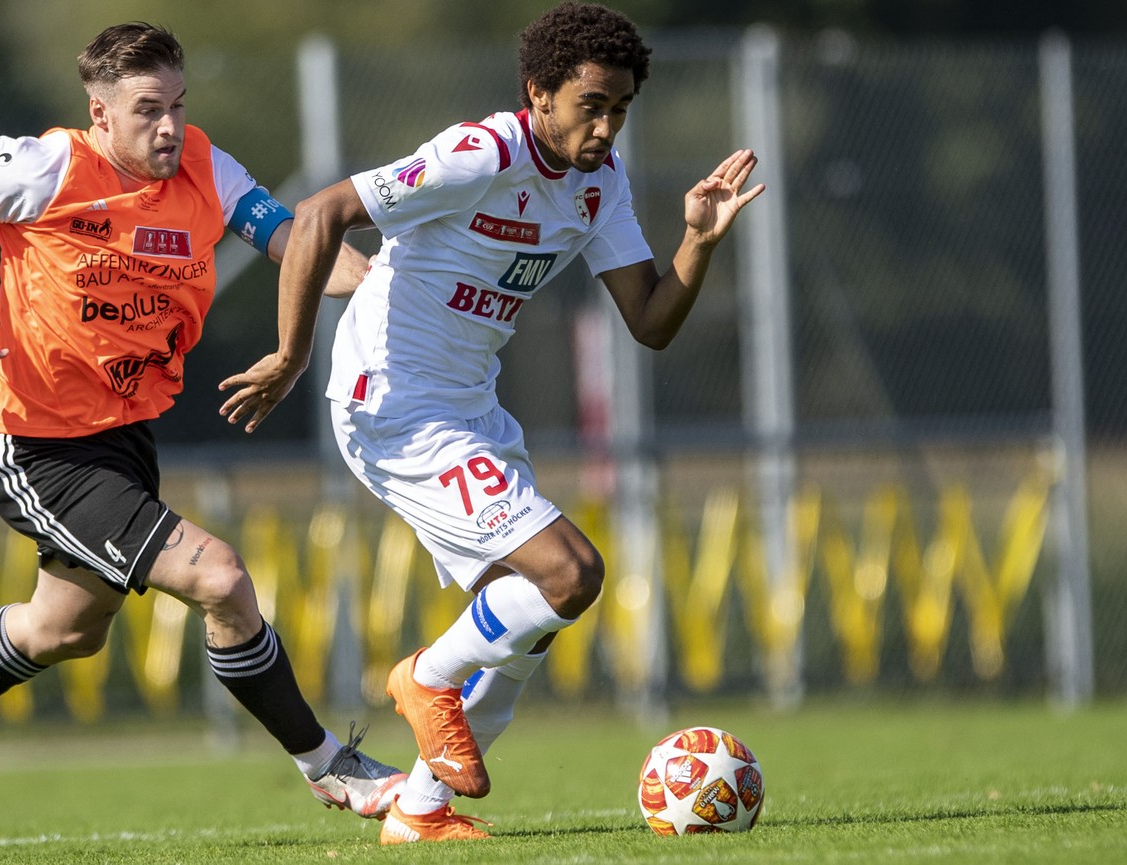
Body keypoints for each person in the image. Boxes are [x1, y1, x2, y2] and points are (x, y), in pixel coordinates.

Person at [220, 2, 764, 844]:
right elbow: (323, 214)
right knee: (571, 572)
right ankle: (423, 677)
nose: (607, 125)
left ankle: (420, 812)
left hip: (469, 406)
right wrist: (291, 355)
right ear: (538, 93)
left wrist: (699, 240)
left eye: (621, 108)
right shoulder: (482, 153)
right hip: (393, 399)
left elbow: (651, 321)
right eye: (592, 105)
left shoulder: (601, 182)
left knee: (528, 624)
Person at [0, 22, 404, 842]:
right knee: (218, 575)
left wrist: (393, 280)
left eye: (178, 105)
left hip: (127, 440)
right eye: (148, 110)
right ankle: (329, 766)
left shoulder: (209, 169)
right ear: (100, 116)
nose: (170, 127)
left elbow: (302, 248)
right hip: (37, 444)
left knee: (64, 627)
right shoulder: (44, 167)